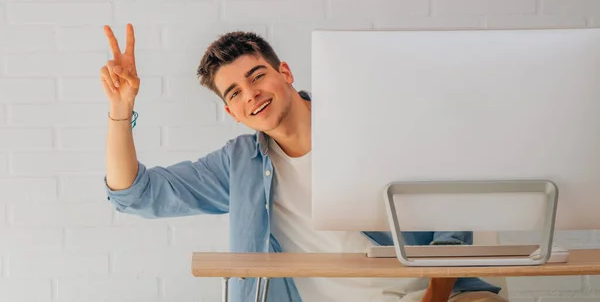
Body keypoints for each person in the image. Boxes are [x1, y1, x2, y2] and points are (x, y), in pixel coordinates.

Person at [99, 23, 509, 302]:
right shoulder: (238, 164)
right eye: (235, 93)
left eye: (257, 76)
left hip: (439, 294)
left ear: (286, 72)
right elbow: (136, 195)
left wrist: (435, 297)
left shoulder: (368, 122)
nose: (251, 95)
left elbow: (453, 210)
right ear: (232, 113)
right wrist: (121, 110)